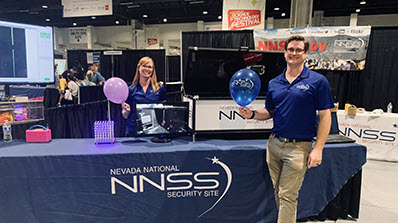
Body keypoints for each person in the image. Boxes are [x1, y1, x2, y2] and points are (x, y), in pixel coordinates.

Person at [239, 35, 334, 223]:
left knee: (288, 195)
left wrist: (318, 148)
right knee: (279, 192)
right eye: (291, 49)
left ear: (306, 53)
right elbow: (270, 111)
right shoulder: (275, 82)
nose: (294, 53)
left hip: (299, 148)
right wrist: (252, 115)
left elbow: (325, 116)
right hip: (274, 144)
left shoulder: (317, 81)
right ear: (285, 52)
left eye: (299, 50)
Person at [121, 57, 167, 136]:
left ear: (152, 70)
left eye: (150, 67)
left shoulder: (160, 88)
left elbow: (164, 111)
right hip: (134, 132)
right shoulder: (130, 90)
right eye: (144, 66)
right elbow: (125, 116)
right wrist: (126, 111)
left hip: (154, 131)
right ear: (139, 68)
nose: (147, 69)